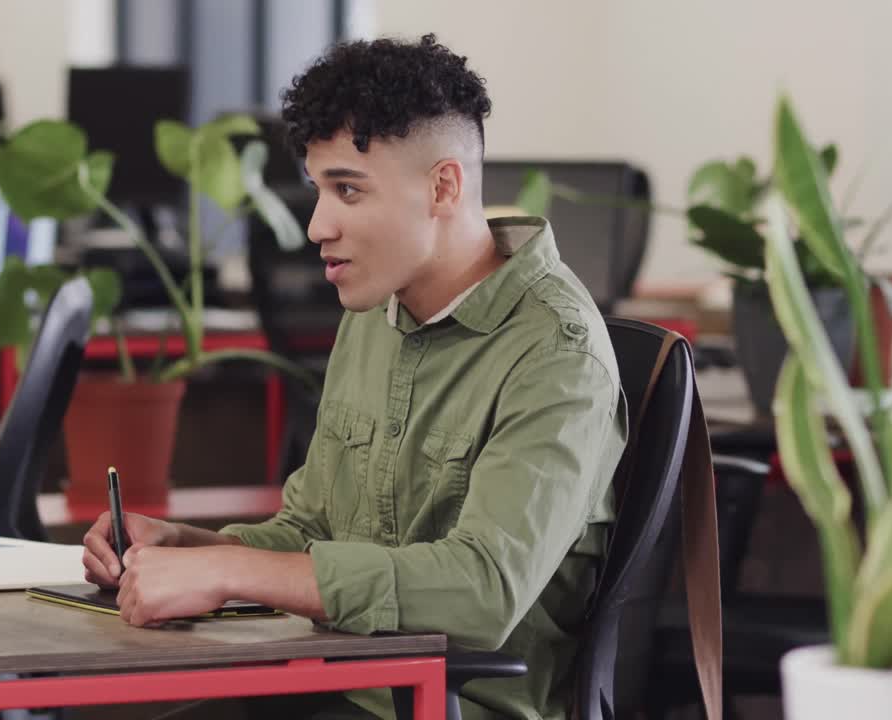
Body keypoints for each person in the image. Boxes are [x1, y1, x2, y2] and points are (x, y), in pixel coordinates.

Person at [82, 34, 628, 720]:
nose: (317, 225)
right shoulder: (375, 313)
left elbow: (483, 591)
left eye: (348, 189)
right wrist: (192, 547)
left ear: (443, 187)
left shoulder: (556, 353)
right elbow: (313, 531)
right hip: (338, 684)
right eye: (318, 190)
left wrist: (228, 572)